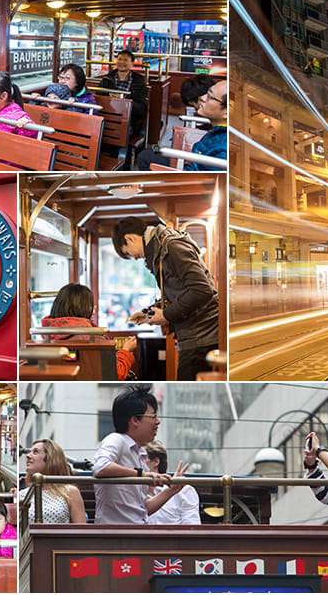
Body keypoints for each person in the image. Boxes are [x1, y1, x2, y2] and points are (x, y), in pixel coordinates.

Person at [111, 217, 221, 380]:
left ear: (130, 238)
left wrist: (166, 315)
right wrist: (148, 313)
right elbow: (179, 293)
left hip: (202, 332)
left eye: (128, 252)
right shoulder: (162, 247)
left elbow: (202, 290)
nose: (134, 258)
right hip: (197, 331)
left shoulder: (171, 246)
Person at [92, 386, 190, 523]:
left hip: (136, 533)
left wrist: (171, 491)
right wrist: (142, 474)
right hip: (114, 536)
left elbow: (142, 509)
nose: (158, 422)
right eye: (153, 416)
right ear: (135, 420)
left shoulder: (140, 454)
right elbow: (101, 467)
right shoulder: (116, 439)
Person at [39, 283, 135, 380]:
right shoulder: (94, 339)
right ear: (87, 308)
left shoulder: (46, 337)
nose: (93, 312)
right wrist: (126, 350)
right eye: (92, 307)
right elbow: (115, 374)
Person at [132, 74, 227, 171]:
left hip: (187, 163)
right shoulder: (216, 130)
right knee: (153, 150)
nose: (203, 98)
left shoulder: (222, 150)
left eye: (210, 97)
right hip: (191, 157)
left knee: (146, 156)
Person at [19, 439, 87, 524]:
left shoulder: (70, 492)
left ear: (50, 458)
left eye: (36, 452)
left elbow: (80, 531)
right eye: (30, 452)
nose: (28, 456)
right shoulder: (22, 494)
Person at [143, 442, 199, 525]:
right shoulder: (131, 492)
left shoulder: (184, 491)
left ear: (156, 462)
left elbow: (192, 528)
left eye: (141, 458)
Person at [96, 50, 149, 131]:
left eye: (125, 60)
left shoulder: (139, 82)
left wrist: (123, 100)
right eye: (120, 59)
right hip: (108, 117)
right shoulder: (107, 79)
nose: (121, 62)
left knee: (118, 131)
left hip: (128, 120)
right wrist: (109, 96)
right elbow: (98, 96)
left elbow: (141, 108)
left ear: (132, 63)